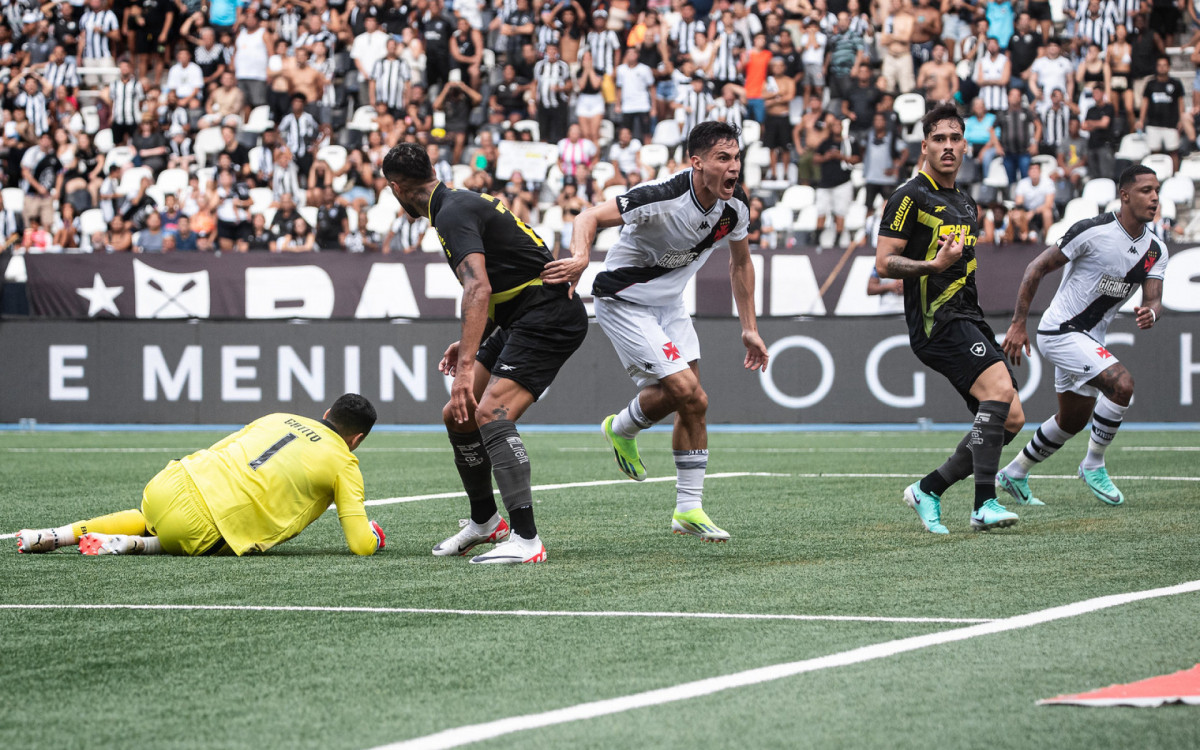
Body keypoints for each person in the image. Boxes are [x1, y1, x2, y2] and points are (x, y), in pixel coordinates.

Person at [542, 121, 769, 543]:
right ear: (696, 162)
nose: (734, 167)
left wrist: (749, 328)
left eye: (737, 158)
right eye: (724, 158)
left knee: (692, 404)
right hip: (624, 300)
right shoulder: (659, 196)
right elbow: (588, 215)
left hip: (670, 305)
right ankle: (624, 428)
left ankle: (687, 510)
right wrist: (579, 256)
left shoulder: (735, 206)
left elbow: (741, 264)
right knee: (693, 394)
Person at [381, 143, 588, 564]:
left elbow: (479, 287)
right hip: (520, 315)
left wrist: (462, 374)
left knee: (489, 411)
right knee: (456, 415)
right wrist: (472, 341)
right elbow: (510, 274)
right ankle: (484, 522)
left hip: (547, 316)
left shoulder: (451, 213)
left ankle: (527, 540)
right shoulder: (456, 205)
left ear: (395, 188)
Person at [875, 104, 1026, 534]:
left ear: (965, 145)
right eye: (938, 139)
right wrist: (931, 267)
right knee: (998, 389)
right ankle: (984, 503)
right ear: (924, 146)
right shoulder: (909, 196)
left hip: (968, 316)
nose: (947, 146)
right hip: (936, 321)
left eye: (954, 138)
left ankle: (930, 488)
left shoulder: (965, 202)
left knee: (1011, 417)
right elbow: (884, 263)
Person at [16, 395, 385, 557]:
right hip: (203, 527)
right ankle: (143, 546)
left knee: (148, 519)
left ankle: (54, 534)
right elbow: (359, 544)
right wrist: (376, 537)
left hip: (171, 481)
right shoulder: (344, 463)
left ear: (325, 412)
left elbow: (221, 447)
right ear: (357, 439)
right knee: (188, 534)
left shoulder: (277, 417)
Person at [998, 166, 1167, 508]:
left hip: (1090, 340)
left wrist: (1151, 313)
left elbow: (1154, 300)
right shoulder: (1092, 231)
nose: (1154, 198)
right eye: (1146, 190)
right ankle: (1093, 464)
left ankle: (1014, 473)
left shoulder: (1156, 250)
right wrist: (1018, 324)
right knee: (1122, 385)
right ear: (1125, 195)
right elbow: (1036, 268)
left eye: (1157, 191)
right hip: (1059, 331)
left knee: (1072, 420)